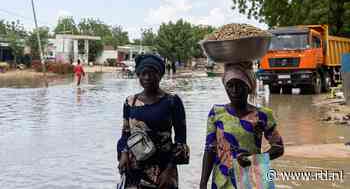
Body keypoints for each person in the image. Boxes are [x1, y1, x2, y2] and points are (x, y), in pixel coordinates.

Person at [200, 62, 284, 189]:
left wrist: (252, 160)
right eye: (230, 85)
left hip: (252, 180)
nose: (234, 90)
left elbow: (278, 148)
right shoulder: (216, 113)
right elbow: (210, 149)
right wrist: (203, 183)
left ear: (249, 87)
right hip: (222, 181)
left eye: (239, 85)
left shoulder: (262, 115)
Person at [117, 54, 189, 189]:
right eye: (143, 73)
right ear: (138, 75)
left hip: (163, 170)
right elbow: (126, 133)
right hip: (134, 169)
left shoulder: (172, 101)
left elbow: (180, 139)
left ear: (160, 75)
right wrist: (123, 154)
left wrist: (170, 170)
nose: (147, 78)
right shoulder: (130, 102)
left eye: (152, 73)